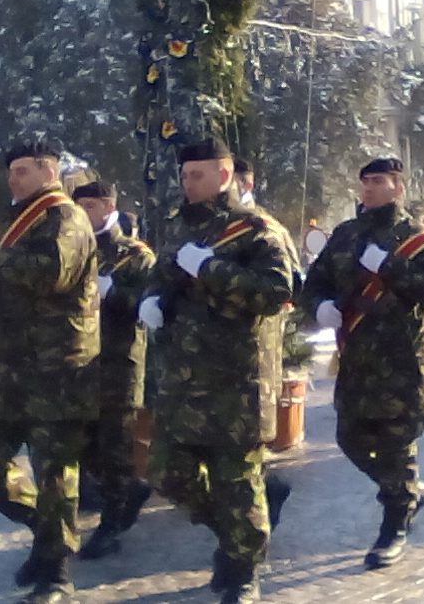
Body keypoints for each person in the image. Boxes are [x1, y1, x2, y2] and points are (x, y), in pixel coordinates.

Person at [137, 138, 297, 603]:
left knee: (236, 484)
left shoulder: (255, 228)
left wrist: (210, 267)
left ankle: (242, 568)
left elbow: (274, 291)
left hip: (235, 382)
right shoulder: (180, 226)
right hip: (182, 382)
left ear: (225, 175)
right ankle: (238, 533)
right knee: (168, 473)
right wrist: (151, 297)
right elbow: (163, 272)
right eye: (185, 176)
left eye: (199, 175)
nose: (189, 184)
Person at [0, 141, 99, 604]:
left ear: (48, 171)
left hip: (55, 369)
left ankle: (57, 571)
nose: (12, 179)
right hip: (11, 368)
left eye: (22, 171)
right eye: (11, 171)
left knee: (55, 470)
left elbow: (52, 273)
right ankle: (47, 530)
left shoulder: (66, 218)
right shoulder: (23, 222)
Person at [300, 157, 424, 570]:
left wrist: (389, 266)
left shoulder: (417, 238)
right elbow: (314, 282)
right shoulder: (346, 235)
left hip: (402, 365)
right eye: (365, 181)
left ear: (398, 188)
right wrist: (321, 305)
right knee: (350, 440)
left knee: (396, 445)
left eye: (379, 181)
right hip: (356, 362)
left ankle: (394, 524)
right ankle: (405, 492)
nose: (368, 188)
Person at [71, 181, 156, 561]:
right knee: (84, 446)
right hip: (79, 364)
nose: (84, 213)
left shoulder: (134, 255)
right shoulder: (75, 248)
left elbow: (148, 304)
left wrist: (113, 293)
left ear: (108, 207)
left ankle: (110, 526)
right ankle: (129, 491)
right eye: (79, 206)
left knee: (115, 447)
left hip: (119, 364)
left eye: (90, 206)